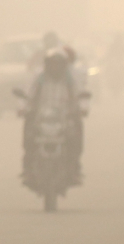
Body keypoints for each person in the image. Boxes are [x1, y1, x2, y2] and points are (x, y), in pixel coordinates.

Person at [22, 48, 86, 186]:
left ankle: (74, 168)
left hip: (63, 118)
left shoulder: (69, 79)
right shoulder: (40, 78)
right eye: (52, 64)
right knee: (29, 135)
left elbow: (78, 95)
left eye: (58, 64)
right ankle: (27, 168)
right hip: (42, 118)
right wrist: (24, 107)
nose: (55, 67)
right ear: (47, 64)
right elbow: (30, 94)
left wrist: (81, 109)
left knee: (75, 135)